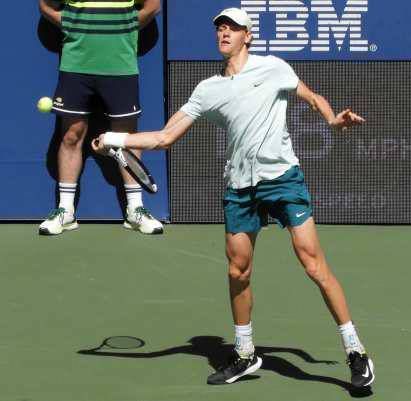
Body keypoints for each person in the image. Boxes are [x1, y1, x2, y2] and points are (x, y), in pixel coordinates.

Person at [92, 7, 374, 387]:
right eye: (220, 28)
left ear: (248, 36)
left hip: (282, 179)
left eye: (233, 28)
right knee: (238, 270)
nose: (224, 32)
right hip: (240, 187)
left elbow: (311, 96)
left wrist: (331, 119)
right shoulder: (208, 90)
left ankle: (356, 352)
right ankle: (244, 353)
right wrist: (115, 138)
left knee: (313, 264)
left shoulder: (273, 68)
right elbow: (163, 137)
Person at [37, 0, 164, 235]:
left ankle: (135, 210)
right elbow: (45, 6)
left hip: (121, 64)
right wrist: (71, 26)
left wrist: (125, 30)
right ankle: (65, 211)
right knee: (71, 135)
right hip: (76, 63)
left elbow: (153, 6)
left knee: (126, 139)